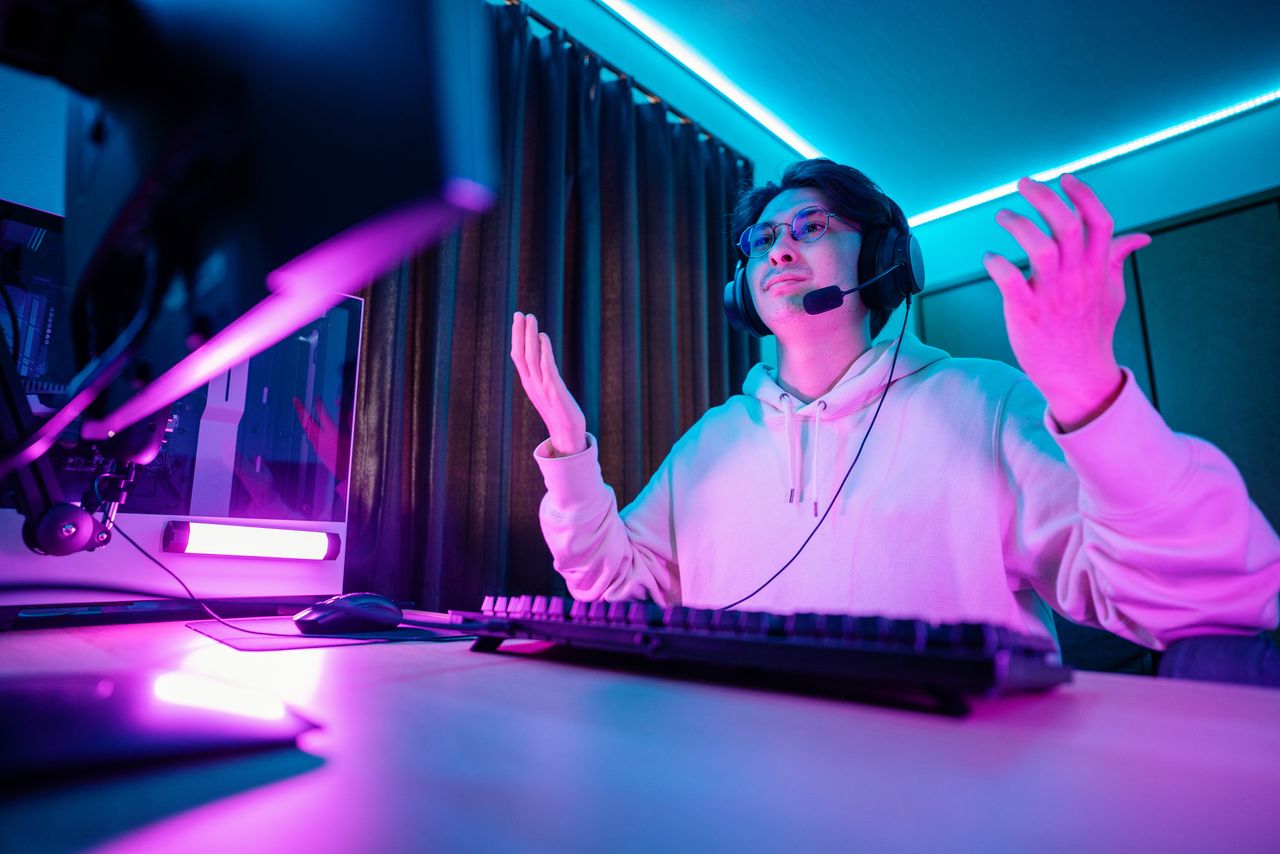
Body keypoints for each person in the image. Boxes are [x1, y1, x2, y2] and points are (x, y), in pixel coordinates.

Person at [509, 159, 1280, 648]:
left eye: (811, 227)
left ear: (881, 261)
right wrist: (573, 458)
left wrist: (1088, 390)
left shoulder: (983, 401)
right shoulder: (712, 442)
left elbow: (1204, 598)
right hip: (732, 787)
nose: (777, 248)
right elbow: (614, 591)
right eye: (761, 239)